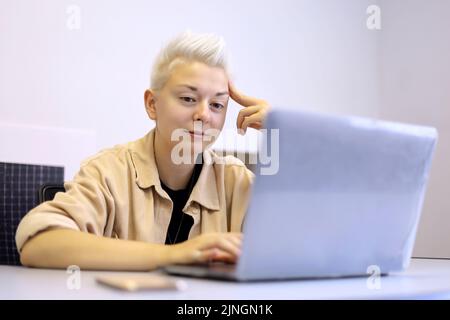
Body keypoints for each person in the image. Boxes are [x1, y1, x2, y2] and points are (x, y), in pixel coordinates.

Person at [16, 31, 270, 271]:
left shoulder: (236, 181)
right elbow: (39, 243)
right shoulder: (109, 172)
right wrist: (178, 254)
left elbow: (302, 247)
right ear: (152, 104)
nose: (204, 115)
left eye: (217, 104)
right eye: (188, 99)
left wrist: (284, 134)